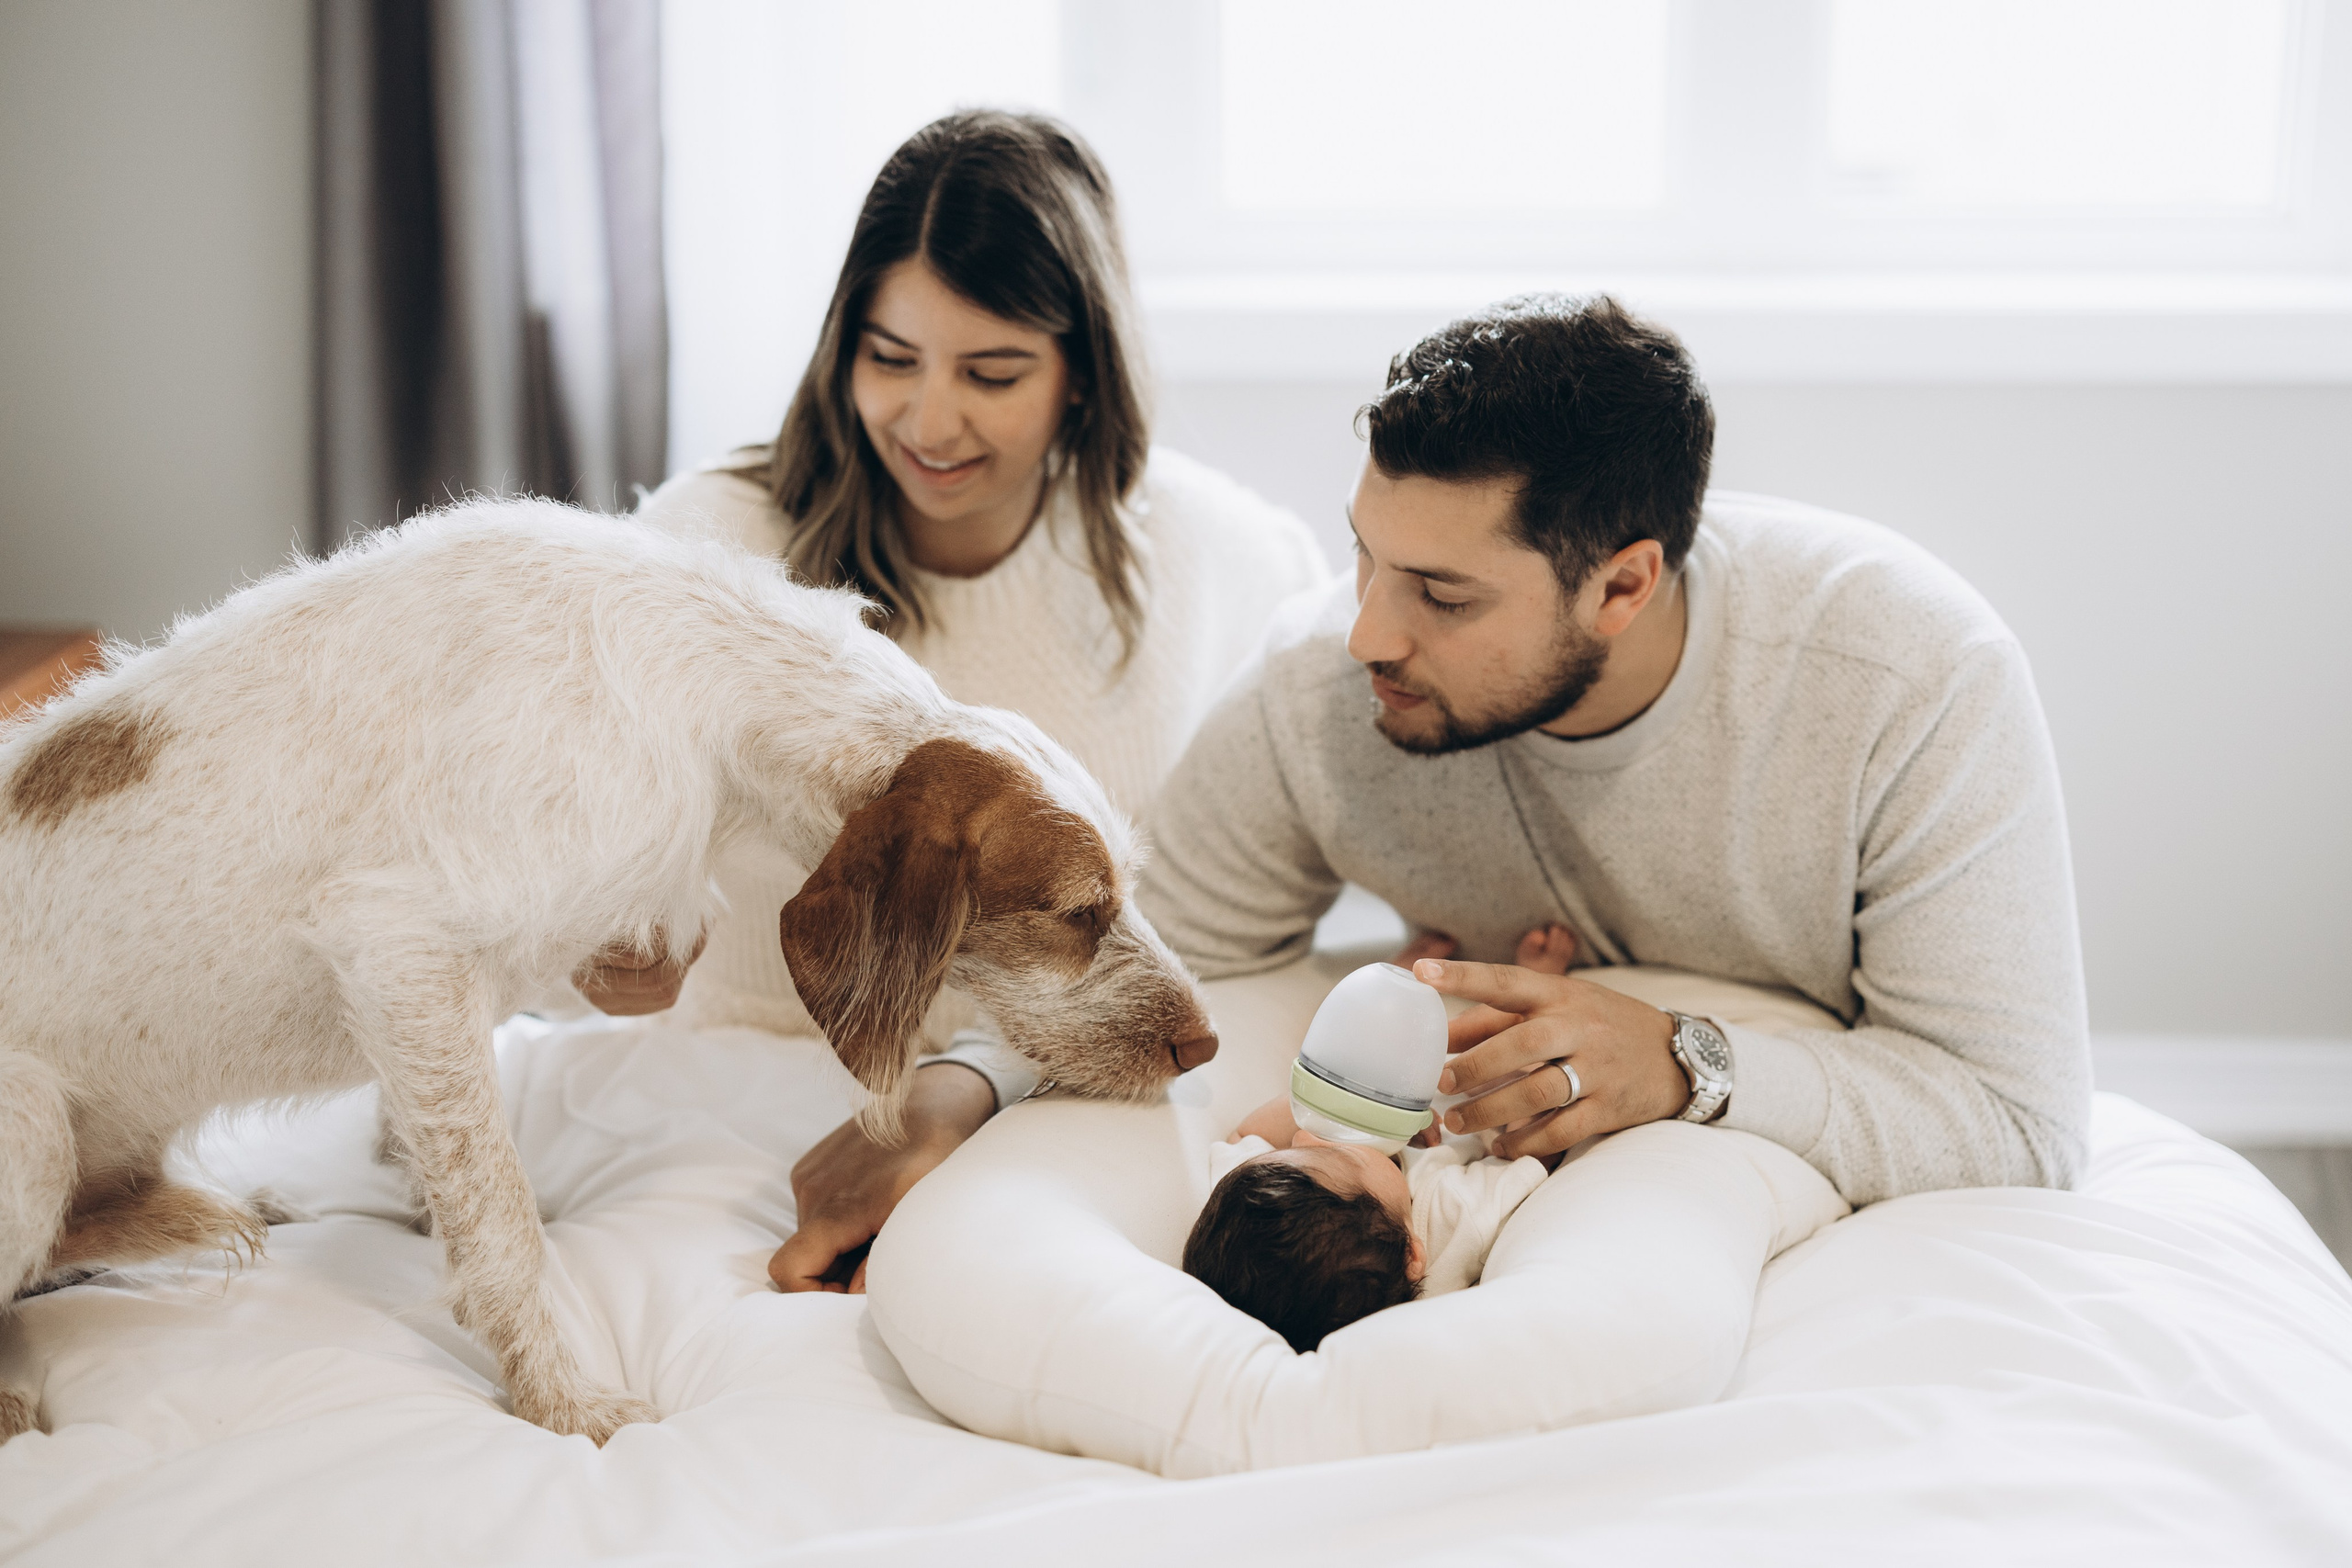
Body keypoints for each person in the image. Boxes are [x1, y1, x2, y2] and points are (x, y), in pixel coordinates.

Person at [776, 289, 2091, 1261]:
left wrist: (1685, 1062)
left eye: (1442, 593)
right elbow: (1175, 955)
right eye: (1366, 556)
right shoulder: (1321, 689)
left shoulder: (1905, 677)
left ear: (1625, 582)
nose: (1368, 633)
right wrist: (962, 1090)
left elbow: (2021, 1121)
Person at [583, 110, 1328, 1289]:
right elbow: (566, 868)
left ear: (1083, 370)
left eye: (992, 373)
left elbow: (1285, 867)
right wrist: (599, 945)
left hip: (1053, 1089)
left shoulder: (1222, 555)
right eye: (891, 359)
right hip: (730, 1078)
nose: (930, 423)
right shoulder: (706, 553)